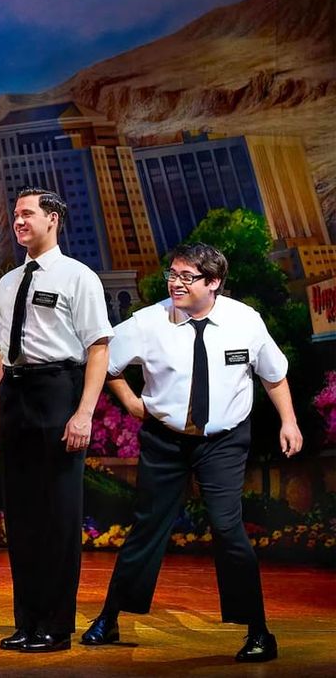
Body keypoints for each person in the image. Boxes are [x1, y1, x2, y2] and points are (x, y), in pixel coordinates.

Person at [80, 242, 303, 663]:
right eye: (173, 273)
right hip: (165, 439)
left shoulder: (244, 321)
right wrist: (131, 402)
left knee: (228, 528)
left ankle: (258, 630)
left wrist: (288, 421)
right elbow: (104, 359)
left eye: (187, 276)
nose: (175, 283)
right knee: (147, 526)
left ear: (214, 282)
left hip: (224, 441)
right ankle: (110, 618)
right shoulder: (148, 321)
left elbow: (274, 376)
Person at [0, 187, 112, 654]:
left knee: (58, 515)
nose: (19, 221)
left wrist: (84, 413)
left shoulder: (79, 277)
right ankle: (27, 621)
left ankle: (55, 627)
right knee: (21, 517)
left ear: (53, 218)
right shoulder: (7, 282)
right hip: (15, 394)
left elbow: (99, 347)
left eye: (27, 213)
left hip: (58, 391)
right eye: (15, 215)